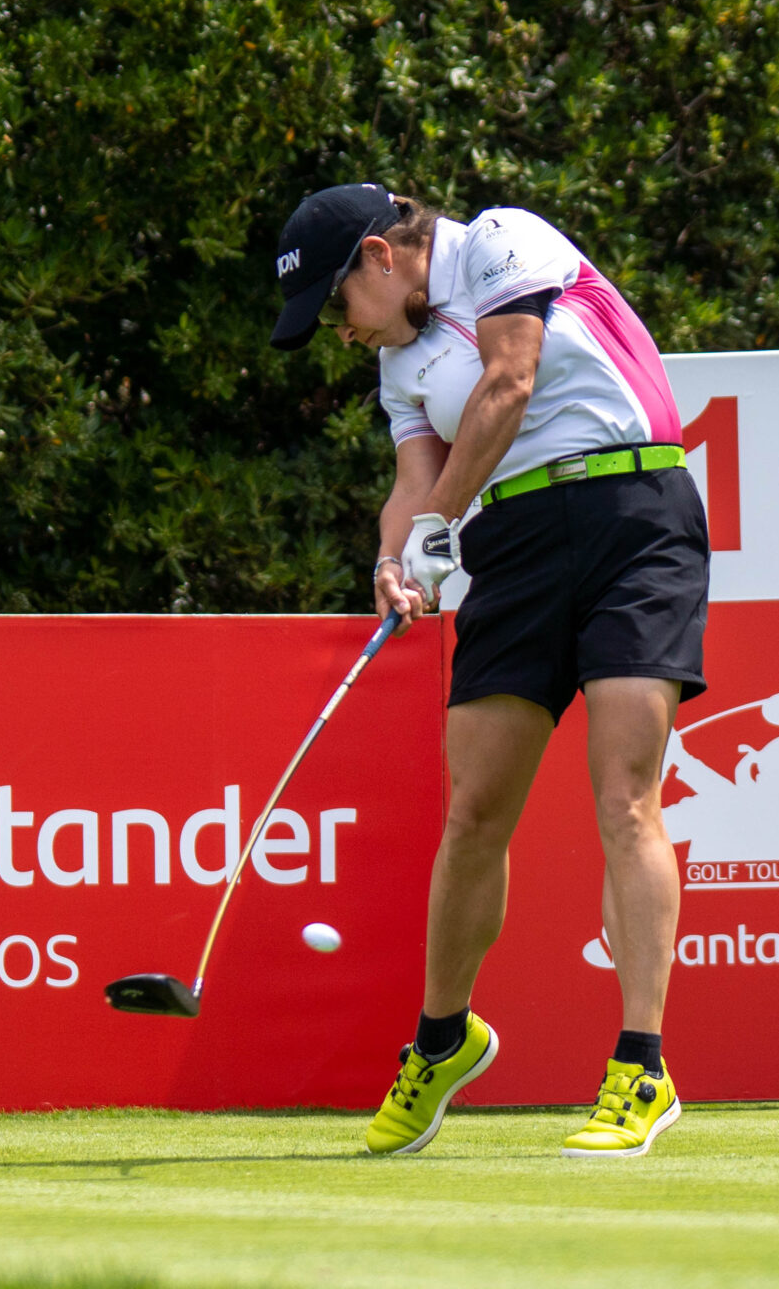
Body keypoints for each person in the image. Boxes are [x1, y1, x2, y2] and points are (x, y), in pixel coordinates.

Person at [268, 183, 708, 1158]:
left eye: (336, 307)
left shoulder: (504, 241)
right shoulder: (401, 363)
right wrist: (396, 558)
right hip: (512, 547)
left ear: (380, 256)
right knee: (473, 812)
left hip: (632, 516)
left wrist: (434, 530)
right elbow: (414, 485)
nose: (340, 332)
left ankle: (641, 1066)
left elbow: (510, 380)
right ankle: (441, 1040)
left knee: (625, 798)